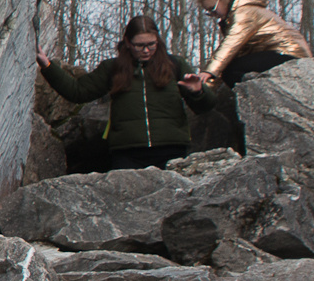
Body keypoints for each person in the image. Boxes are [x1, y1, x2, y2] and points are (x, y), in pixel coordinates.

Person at [37, 14, 213, 171]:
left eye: (151, 44)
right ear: (128, 43)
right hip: (127, 153)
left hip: (171, 149)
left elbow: (205, 106)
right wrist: (48, 66)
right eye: (139, 45)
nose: (146, 50)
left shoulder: (175, 65)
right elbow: (78, 92)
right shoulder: (112, 68)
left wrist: (198, 91)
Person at [184, 0, 312, 91]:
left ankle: (257, 99)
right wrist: (206, 85)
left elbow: (230, 45)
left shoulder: (244, 13)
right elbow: (236, 54)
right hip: (276, 52)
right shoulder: (232, 18)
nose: (213, 15)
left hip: (288, 52)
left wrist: (209, 71)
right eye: (208, 12)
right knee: (231, 69)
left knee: (232, 70)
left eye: (213, 9)